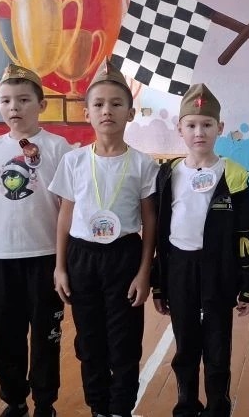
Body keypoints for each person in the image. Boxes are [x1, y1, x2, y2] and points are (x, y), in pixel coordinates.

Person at [48, 61, 158, 417]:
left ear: (130, 113)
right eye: (98, 104)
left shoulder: (143, 164)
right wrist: (60, 267)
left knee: (124, 340)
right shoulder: (74, 162)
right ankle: (98, 406)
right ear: (87, 113)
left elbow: (149, 221)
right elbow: (65, 215)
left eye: (115, 103)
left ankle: (121, 408)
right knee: (90, 340)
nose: (107, 110)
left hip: (124, 256)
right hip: (82, 257)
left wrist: (144, 272)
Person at [0, 64, 72, 417]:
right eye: (6, 100)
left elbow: (67, 209)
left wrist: (63, 263)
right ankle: (14, 401)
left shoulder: (59, 148)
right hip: (1, 260)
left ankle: (45, 403)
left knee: (46, 337)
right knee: (6, 338)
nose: (14, 107)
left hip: (45, 258)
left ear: (41, 105)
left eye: (24, 100)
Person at [151, 84, 249, 417]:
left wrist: (247, 282)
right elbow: (160, 233)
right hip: (180, 268)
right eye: (192, 125)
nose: (199, 132)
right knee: (185, 344)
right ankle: (186, 405)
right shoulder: (168, 174)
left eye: (207, 124)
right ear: (180, 129)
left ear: (220, 128)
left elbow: (245, 232)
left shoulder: (234, 175)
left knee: (217, 346)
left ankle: (217, 407)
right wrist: (159, 283)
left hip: (219, 271)